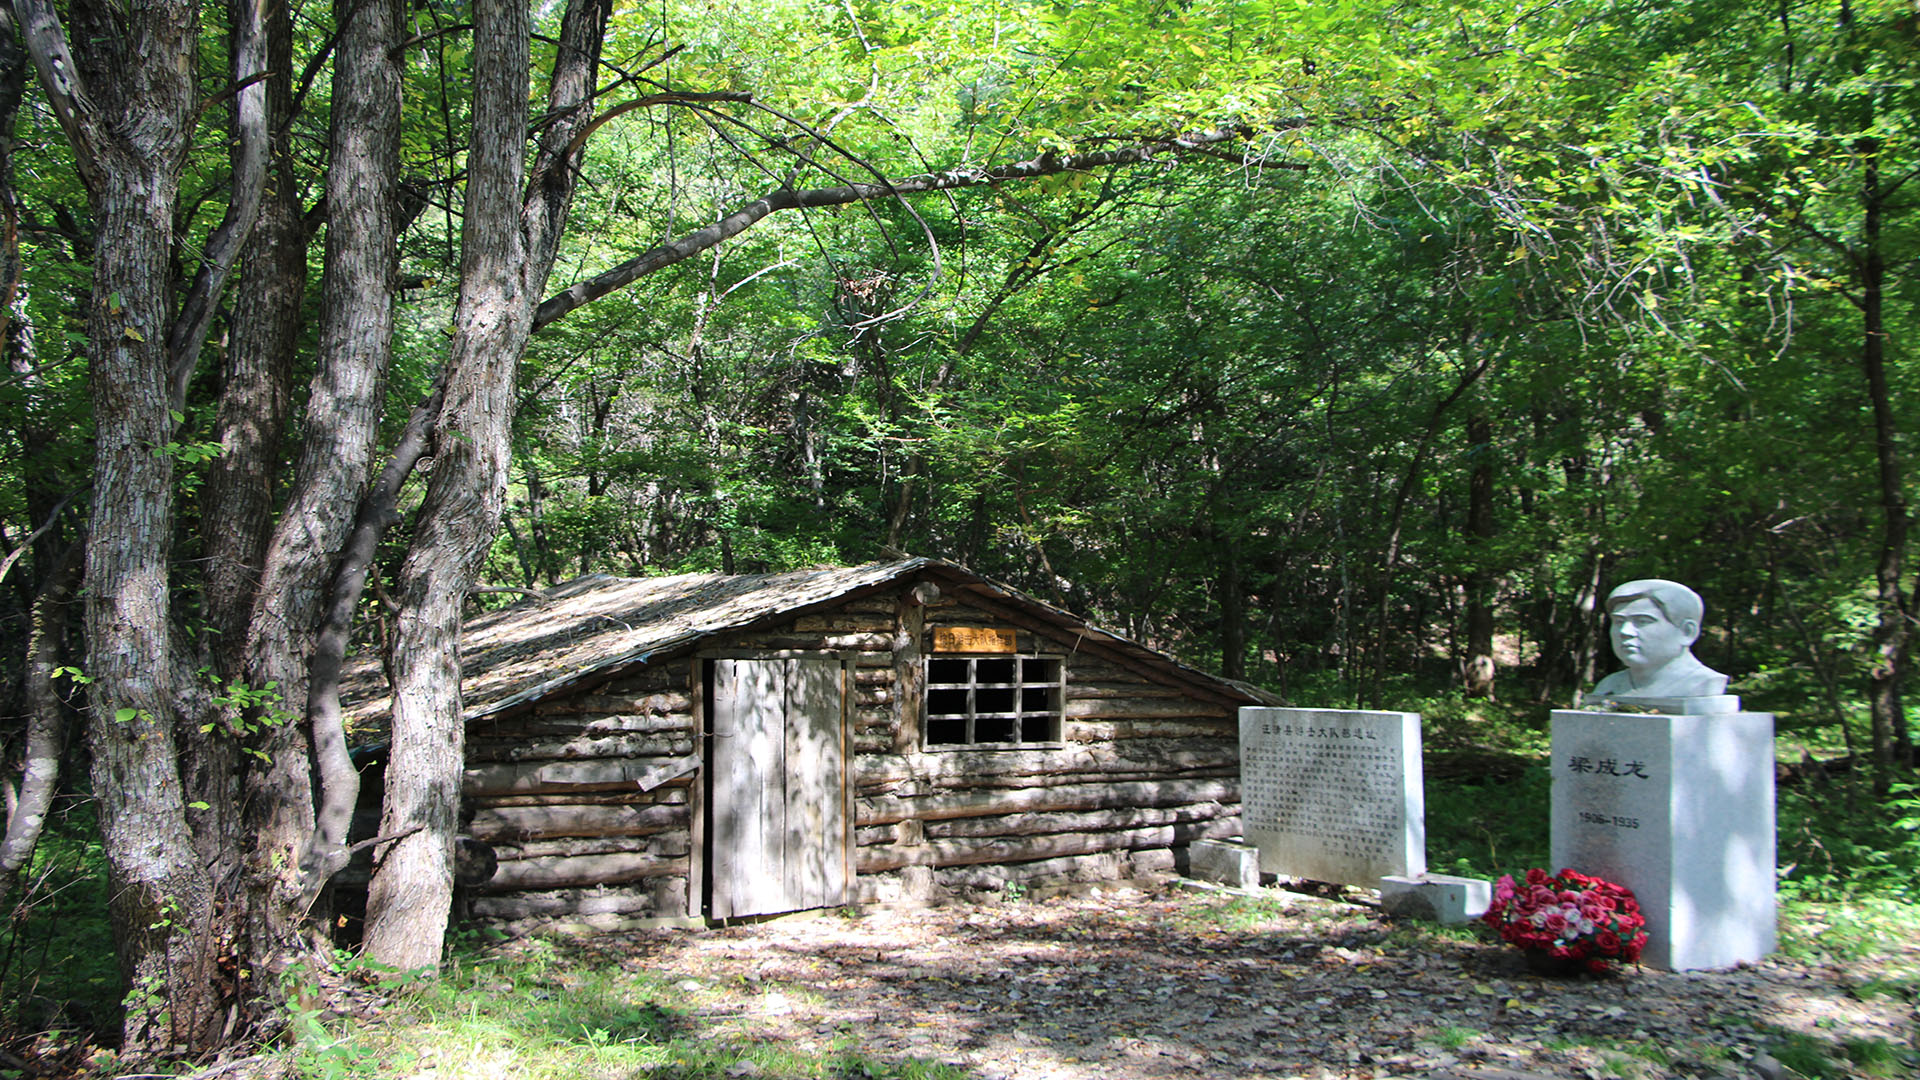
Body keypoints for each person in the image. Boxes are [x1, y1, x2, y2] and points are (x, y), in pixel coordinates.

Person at [1588, 579, 1728, 700]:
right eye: (1619, 621)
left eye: (1642, 621)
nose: (1625, 632)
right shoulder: (1609, 685)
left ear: (1687, 632)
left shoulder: (1702, 684)